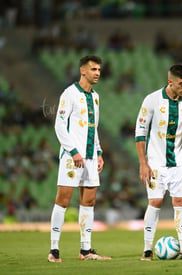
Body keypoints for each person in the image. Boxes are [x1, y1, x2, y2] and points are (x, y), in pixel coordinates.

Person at [135, 64, 182, 261]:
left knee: (180, 202)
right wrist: (143, 163)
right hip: (156, 163)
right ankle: (147, 250)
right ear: (170, 82)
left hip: (179, 163)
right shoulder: (152, 100)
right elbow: (140, 132)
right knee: (155, 202)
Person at [48, 55, 111, 262]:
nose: (97, 73)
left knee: (89, 201)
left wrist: (99, 152)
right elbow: (59, 125)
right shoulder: (70, 93)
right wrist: (73, 151)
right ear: (83, 71)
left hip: (91, 157)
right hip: (72, 156)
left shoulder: (96, 97)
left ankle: (85, 250)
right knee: (63, 199)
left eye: (99, 70)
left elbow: (95, 127)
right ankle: (54, 250)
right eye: (93, 69)